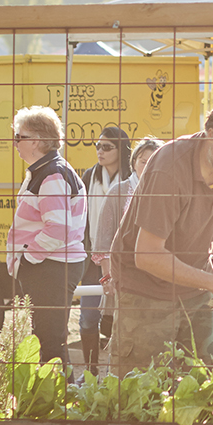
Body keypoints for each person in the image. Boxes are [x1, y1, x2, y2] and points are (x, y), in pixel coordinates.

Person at [108, 97, 213, 373]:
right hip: (144, 285)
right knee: (141, 387)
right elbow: (147, 255)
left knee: (200, 381)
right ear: (209, 135)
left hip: (196, 282)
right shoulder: (169, 167)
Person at [6, 106, 87, 365]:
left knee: (49, 344)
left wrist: (28, 259)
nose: (15, 143)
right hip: (51, 266)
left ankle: (61, 400)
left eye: (19, 137)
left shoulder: (52, 173)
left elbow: (58, 228)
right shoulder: (48, 170)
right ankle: (60, 398)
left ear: (36, 141)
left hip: (51, 267)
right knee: (48, 341)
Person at [89, 136, 160, 371]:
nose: (147, 166)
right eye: (143, 161)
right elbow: (103, 239)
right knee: (123, 339)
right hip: (124, 277)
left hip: (156, 278)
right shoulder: (118, 192)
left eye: (153, 161)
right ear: (133, 163)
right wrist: (108, 276)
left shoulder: (166, 193)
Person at [79, 126, 132, 368]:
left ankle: (117, 373)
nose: (100, 151)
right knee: (88, 319)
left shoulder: (131, 179)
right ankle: (90, 372)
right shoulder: (89, 176)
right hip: (92, 259)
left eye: (107, 147)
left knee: (118, 320)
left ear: (121, 150)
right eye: (97, 146)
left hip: (123, 261)